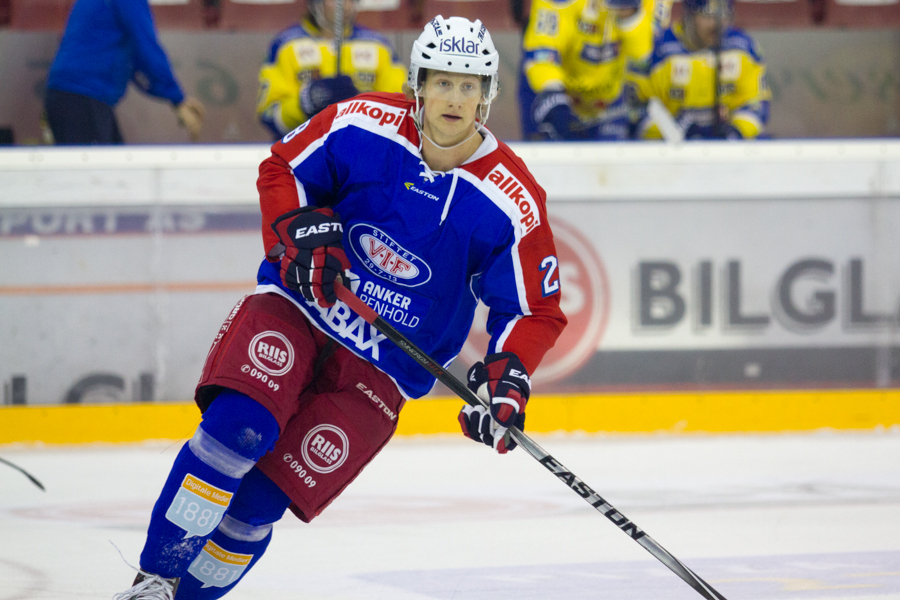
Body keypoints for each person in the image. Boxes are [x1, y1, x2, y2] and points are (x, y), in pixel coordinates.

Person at [115, 14, 567, 600]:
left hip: (382, 369)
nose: (455, 97)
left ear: (487, 94)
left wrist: (506, 379)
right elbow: (282, 170)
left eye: (469, 84)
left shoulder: (513, 198)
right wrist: (298, 231)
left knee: (260, 502)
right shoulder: (363, 123)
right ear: (417, 84)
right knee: (238, 429)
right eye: (443, 81)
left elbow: (533, 309)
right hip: (303, 308)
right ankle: (153, 580)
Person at [44, 0, 204, 145]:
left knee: (114, 170)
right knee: (97, 174)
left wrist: (174, 98)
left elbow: (136, 62)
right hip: (82, 99)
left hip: (75, 97)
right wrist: (177, 99)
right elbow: (147, 49)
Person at [256, 0, 406, 139]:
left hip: (362, 152)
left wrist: (364, 107)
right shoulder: (286, 45)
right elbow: (269, 115)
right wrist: (305, 102)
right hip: (305, 154)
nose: (344, 5)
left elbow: (402, 109)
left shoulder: (379, 46)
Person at [630, 0, 771, 140]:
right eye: (706, 15)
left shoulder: (743, 48)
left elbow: (756, 102)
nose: (716, 23)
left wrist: (736, 133)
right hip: (671, 155)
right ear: (689, 16)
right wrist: (673, 132)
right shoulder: (659, 50)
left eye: (723, 14)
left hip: (730, 154)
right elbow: (639, 106)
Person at [518, 0, 657, 141]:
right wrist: (554, 99)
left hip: (608, 101)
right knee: (547, 157)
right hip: (553, 92)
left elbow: (642, 55)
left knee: (609, 159)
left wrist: (629, 14)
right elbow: (541, 54)